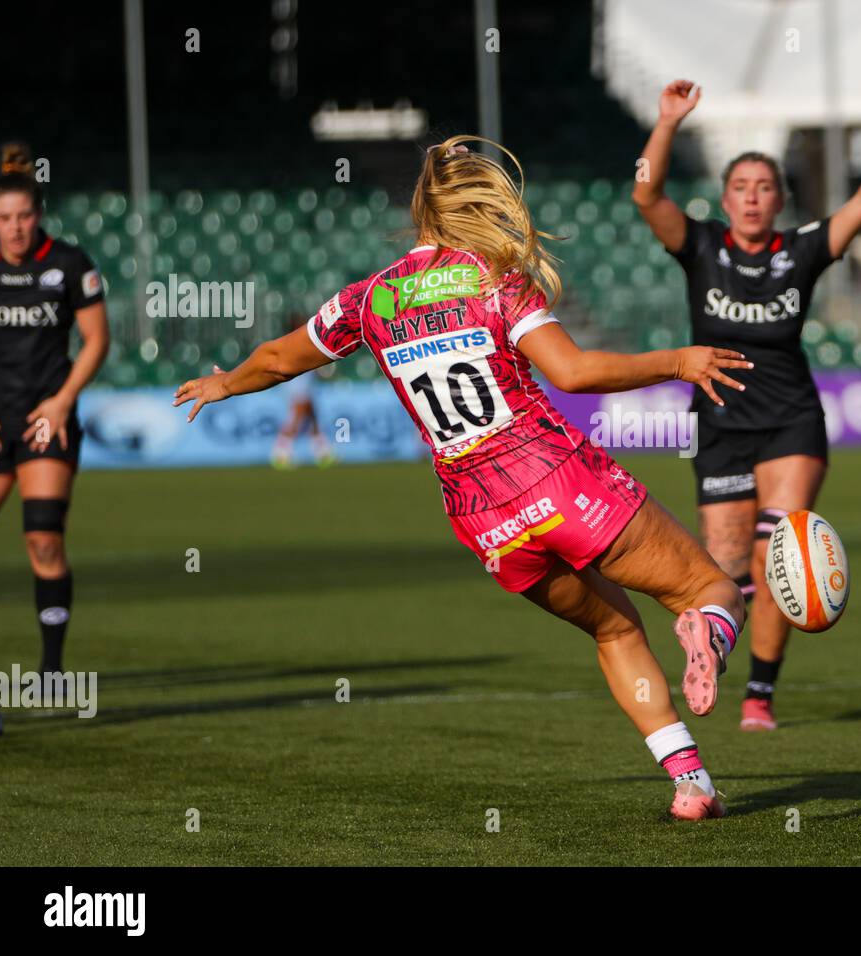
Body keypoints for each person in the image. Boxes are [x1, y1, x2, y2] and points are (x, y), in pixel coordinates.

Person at [174, 137, 753, 820]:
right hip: (557, 478)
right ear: (480, 204)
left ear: (420, 210)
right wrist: (677, 361)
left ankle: (691, 785)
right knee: (711, 587)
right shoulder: (496, 282)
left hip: (483, 518)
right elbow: (573, 374)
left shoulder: (370, 299)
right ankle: (707, 635)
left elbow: (277, 357)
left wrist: (223, 383)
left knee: (614, 632)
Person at [632, 79, 861, 730]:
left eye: (763, 187)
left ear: (778, 199)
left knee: (782, 550)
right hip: (718, 424)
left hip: (790, 421)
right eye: (740, 187)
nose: (751, 197)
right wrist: (666, 124)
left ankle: (760, 698)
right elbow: (646, 194)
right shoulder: (701, 247)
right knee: (726, 567)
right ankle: (712, 645)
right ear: (725, 198)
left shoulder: (799, 252)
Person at [0, 143, 110, 737]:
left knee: (42, 537)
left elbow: (95, 340)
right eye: (3, 218)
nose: (14, 228)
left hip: (46, 419)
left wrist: (63, 400)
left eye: (23, 216)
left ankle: (49, 668)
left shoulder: (68, 264)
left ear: (37, 215)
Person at [270, 313, 336, 469]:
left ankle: (321, 451)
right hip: (297, 383)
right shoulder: (291, 343)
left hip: (304, 382)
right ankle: (281, 451)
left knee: (311, 415)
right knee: (298, 416)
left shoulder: (300, 341)